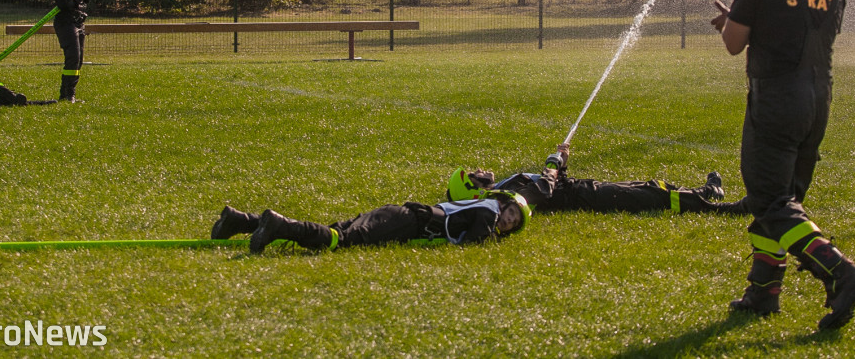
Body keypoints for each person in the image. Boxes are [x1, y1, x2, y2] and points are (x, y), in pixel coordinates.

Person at [710, 0, 855, 331]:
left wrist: (730, 22)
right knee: (786, 200)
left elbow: (733, 44)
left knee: (767, 198)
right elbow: (808, 34)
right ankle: (764, 291)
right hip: (818, 100)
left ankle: (842, 272)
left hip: (777, 99)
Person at [446, 143, 748, 216]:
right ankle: (723, 208)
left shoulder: (504, 189)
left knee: (653, 187)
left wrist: (562, 163)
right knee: (655, 197)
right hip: (587, 198)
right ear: (474, 189)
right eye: (474, 174)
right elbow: (544, 189)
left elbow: (552, 182)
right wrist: (553, 162)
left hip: (583, 188)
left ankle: (708, 191)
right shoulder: (506, 197)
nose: (480, 169)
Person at [210, 189, 531, 254]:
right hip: (408, 222)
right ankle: (279, 226)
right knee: (341, 241)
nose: (507, 222)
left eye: (512, 224)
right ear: (503, 204)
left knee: (333, 232)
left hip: (403, 217)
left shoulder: (484, 206)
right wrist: (492, 239)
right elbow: (476, 241)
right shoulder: (489, 209)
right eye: (511, 215)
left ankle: (241, 221)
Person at [50, 0, 93, 103]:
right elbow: (64, 4)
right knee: (73, 57)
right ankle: (68, 96)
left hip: (79, 20)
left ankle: (68, 95)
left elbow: (85, 1)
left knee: (79, 59)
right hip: (65, 22)